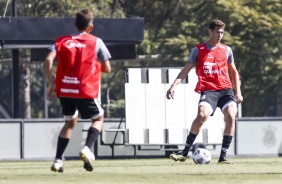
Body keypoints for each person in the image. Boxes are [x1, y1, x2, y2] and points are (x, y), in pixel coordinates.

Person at [166, 19, 243, 164]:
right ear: (210, 31)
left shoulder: (227, 50)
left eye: (222, 32)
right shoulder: (198, 50)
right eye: (217, 32)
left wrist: (238, 92)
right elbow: (185, 70)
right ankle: (184, 152)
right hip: (209, 90)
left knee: (231, 116)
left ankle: (223, 157)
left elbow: (234, 72)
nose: (220, 35)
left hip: (226, 90)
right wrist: (173, 86)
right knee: (202, 115)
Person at [45, 9, 111, 172]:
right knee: (99, 118)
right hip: (85, 89)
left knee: (69, 122)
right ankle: (87, 149)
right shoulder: (96, 42)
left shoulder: (61, 41)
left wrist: (51, 83)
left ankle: (58, 161)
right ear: (91, 27)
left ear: (75, 24)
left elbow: (48, 60)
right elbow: (107, 68)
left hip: (65, 90)